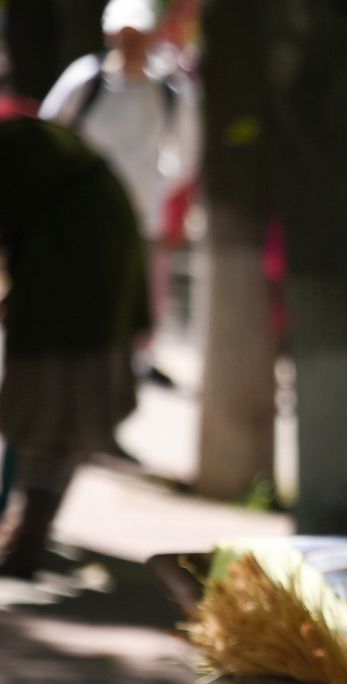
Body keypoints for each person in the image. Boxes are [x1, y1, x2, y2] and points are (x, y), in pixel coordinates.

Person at [0, 115, 148, 577]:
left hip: (76, 275)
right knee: (57, 417)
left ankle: (29, 538)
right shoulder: (27, 147)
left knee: (54, 414)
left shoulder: (18, 151)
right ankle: (28, 533)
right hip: (88, 260)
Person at [39, 0, 198, 379]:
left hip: (138, 221)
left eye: (139, 35)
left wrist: (158, 186)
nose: (132, 44)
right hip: (79, 221)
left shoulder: (169, 92)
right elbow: (47, 134)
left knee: (124, 318)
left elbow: (188, 152)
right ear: (111, 34)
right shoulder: (85, 80)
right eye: (126, 35)